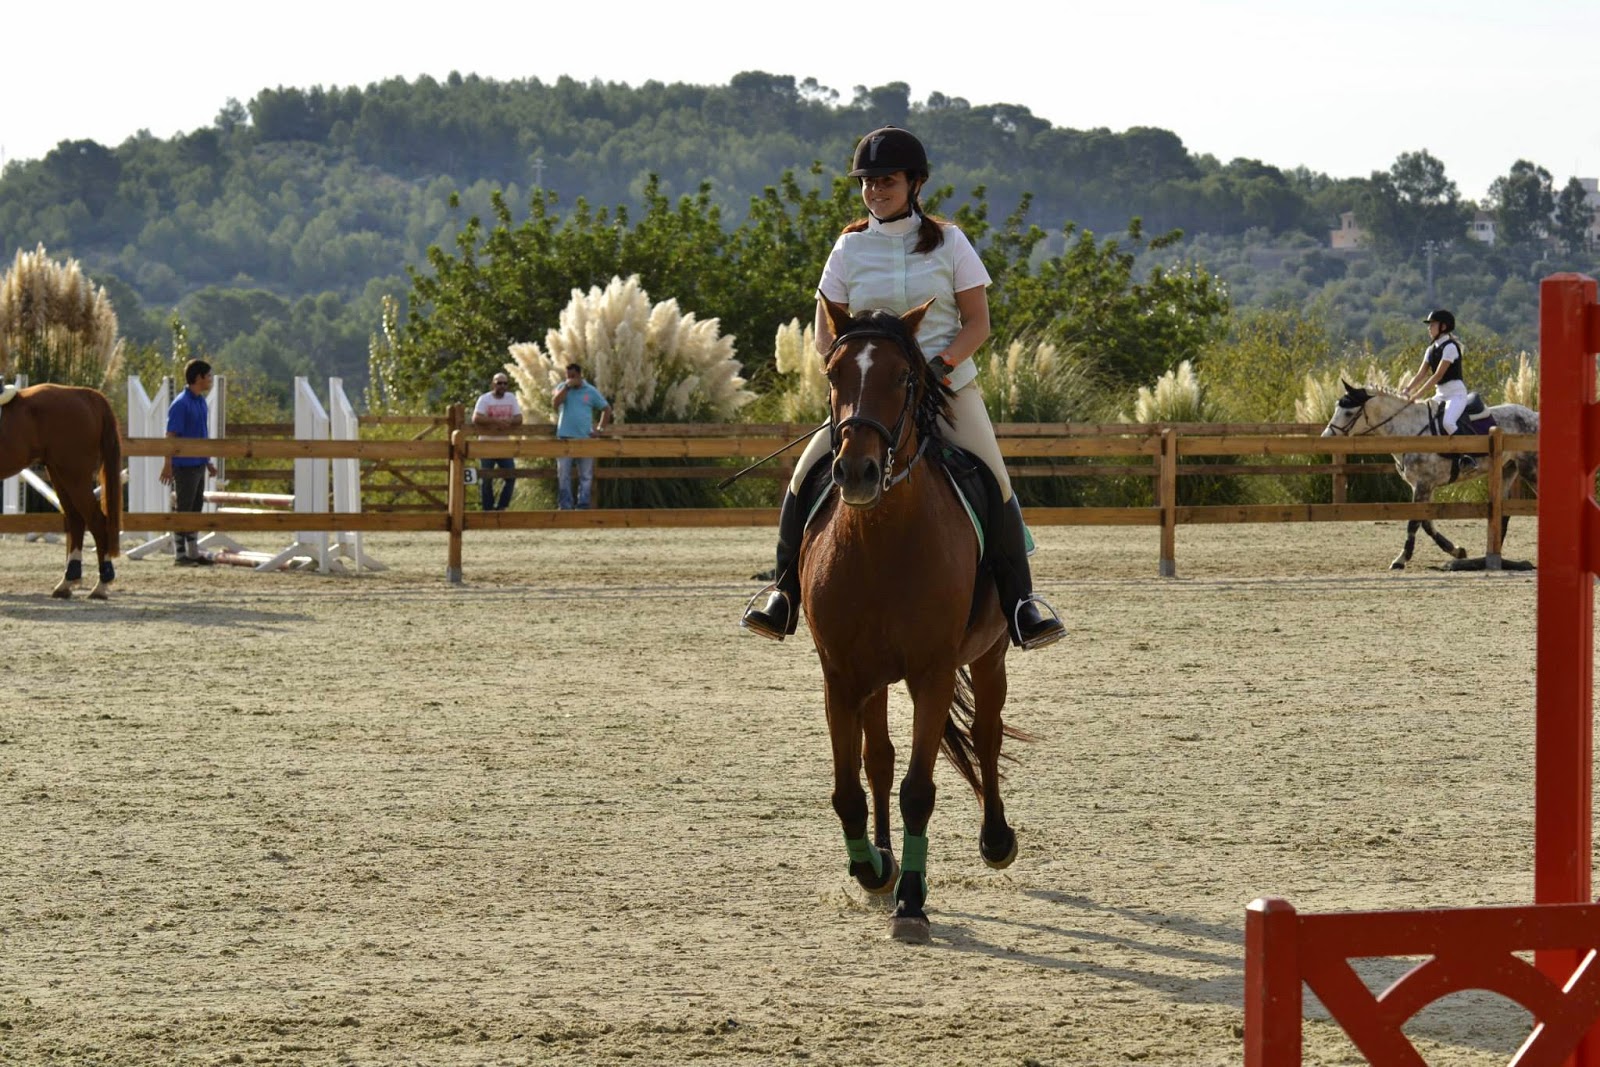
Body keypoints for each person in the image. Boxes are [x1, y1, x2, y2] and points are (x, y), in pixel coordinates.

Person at [741, 125, 1065, 651]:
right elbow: (825, 329)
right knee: (804, 478)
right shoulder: (848, 247)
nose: (874, 190)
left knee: (995, 479)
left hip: (946, 387)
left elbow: (978, 322)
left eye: (886, 181)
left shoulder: (950, 242)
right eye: (867, 182)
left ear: (915, 184)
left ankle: (1021, 605)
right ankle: (782, 595)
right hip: (871, 396)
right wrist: (845, 369)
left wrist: (940, 365)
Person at [1401, 308, 1476, 472]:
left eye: (1433, 325)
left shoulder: (1450, 347)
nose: (1429, 328)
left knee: (1448, 422)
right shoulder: (1431, 349)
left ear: (1443, 327)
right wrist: (1406, 389)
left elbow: (1437, 375)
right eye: (1429, 325)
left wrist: (1417, 395)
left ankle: (1467, 457)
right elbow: (1421, 374)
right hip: (1440, 394)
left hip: (1455, 394)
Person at [160, 358, 217, 565]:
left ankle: (193, 552)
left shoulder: (201, 401)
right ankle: (180, 554)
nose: (210, 379)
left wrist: (207, 461)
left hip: (198, 464)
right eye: (208, 376)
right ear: (199, 377)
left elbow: (201, 434)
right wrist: (168, 464)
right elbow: (170, 436)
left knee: (195, 509)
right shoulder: (181, 404)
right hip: (184, 466)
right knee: (183, 509)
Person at [552, 363, 612, 510]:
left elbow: (606, 409)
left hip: (585, 439)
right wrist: (566, 387)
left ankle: (583, 506)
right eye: (568, 376)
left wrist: (600, 430)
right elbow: (555, 404)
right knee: (563, 474)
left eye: (573, 376)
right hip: (564, 438)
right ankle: (565, 506)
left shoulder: (590, 391)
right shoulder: (562, 387)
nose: (570, 379)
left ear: (580, 375)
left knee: (586, 475)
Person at [472, 372, 524, 511]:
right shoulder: (485, 399)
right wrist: (496, 421)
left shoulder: (511, 398)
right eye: (499, 383)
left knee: (511, 476)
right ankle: (487, 509)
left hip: (504, 445)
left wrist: (509, 421)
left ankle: (502, 507)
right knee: (486, 479)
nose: (502, 386)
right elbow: (476, 418)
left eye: (505, 383)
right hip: (486, 444)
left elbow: (519, 418)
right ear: (493, 384)